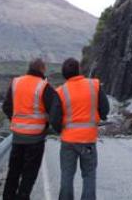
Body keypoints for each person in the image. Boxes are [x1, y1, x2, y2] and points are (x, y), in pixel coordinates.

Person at [50, 57, 109, 200]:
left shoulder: (60, 91)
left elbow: (54, 119)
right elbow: (105, 109)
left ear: (64, 74)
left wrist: (61, 131)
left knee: (67, 176)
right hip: (88, 140)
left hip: (68, 141)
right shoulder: (94, 85)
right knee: (89, 176)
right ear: (79, 70)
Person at [2, 57, 59, 199]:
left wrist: (15, 120)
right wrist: (51, 127)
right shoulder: (44, 87)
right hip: (35, 139)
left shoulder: (16, 83)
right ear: (42, 69)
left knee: (13, 173)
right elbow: (55, 111)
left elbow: (6, 107)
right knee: (29, 175)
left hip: (18, 137)